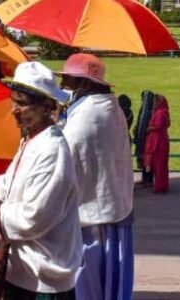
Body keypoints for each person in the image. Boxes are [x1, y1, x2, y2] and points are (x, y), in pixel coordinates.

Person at [0, 61, 83, 299]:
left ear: (47, 107)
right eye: (13, 101)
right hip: (22, 271)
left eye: (22, 104)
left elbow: (34, 218)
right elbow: (10, 186)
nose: (14, 110)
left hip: (42, 279)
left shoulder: (52, 150)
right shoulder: (31, 140)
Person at [59, 53, 135, 300]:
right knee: (110, 284)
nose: (63, 87)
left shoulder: (87, 117)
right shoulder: (110, 109)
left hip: (91, 220)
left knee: (88, 286)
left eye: (68, 81)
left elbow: (63, 162)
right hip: (114, 209)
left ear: (84, 84)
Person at [143, 94, 171, 194]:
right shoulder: (162, 112)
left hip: (158, 142)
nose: (154, 103)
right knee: (160, 165)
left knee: (159, 164)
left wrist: (149, 128)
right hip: (160, 140)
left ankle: (160, 186)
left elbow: (158, 126)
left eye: (156, 101)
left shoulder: (161, 113)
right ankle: (161, 185)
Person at [134, 90, 156, 187]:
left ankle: (149, 180)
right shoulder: (146, 109)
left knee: (148, 161)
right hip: (143, 139)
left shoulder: (150, 111)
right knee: (145, 161)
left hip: (147, 140)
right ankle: (145, 179)